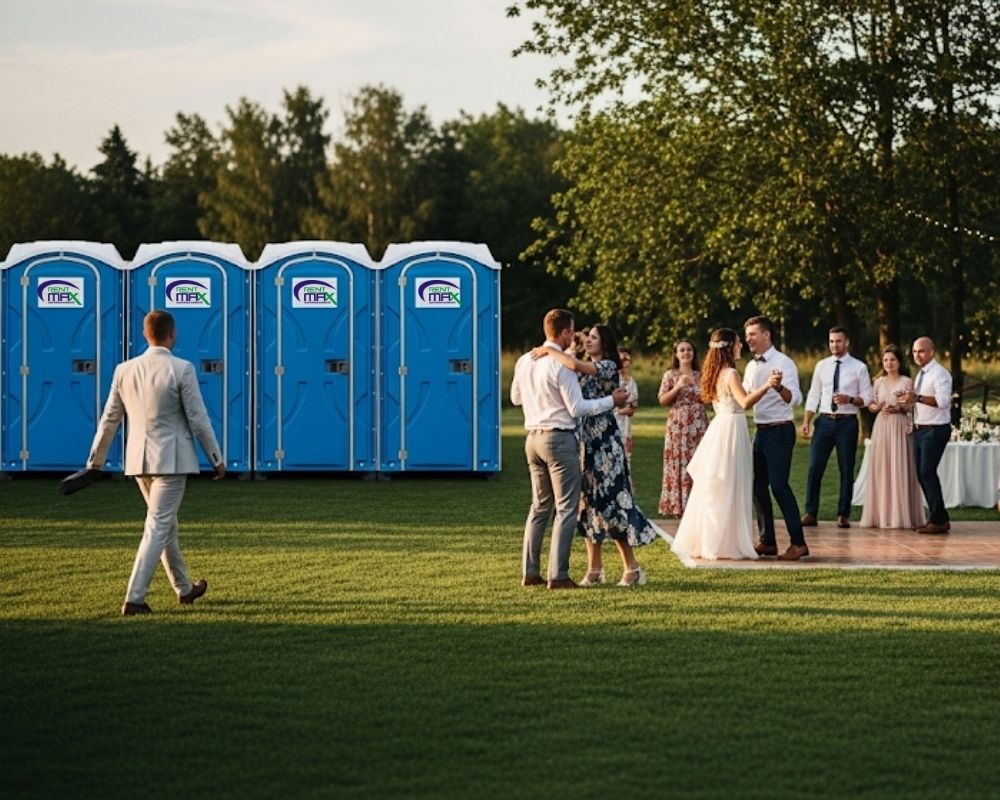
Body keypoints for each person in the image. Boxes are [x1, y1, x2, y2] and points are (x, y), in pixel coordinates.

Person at [86, 310, 225, 615]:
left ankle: (184, 589)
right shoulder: (182, 368)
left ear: (145, 334)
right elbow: (198, 420)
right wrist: (216, 458)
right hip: (172, 460)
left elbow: (109, 419)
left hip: (138, 461)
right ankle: (134, 599)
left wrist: (94, 461)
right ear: (172, 334)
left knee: (165, 525)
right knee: (158, 526)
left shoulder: (124, 369)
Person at [511, 309, 629, 589]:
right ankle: (558, 575)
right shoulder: (561, 364)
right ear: (564, 332)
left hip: (532, 439)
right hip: (558, 439)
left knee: (539, 508)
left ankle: (530, 572)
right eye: (573, 331)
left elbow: (516, 397)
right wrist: (611, 401)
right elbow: (577, 408)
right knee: (565, 509)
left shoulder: (524, 359)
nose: (577, 337)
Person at [532, 325, 658, 587]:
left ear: (605, 342)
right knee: (587, 507)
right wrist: (567, 348)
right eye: (587, 337)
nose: (588, 341)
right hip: (583, 444)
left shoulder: (608, 366)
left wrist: (548, 349)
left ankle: (632, 569)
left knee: (612, 504)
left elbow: (577, 366)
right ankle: (594, 569)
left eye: (593, 338)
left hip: (606, 445)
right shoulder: (577, 362)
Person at [671, 329, 780, 560]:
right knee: (730, 484)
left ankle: (713, 540)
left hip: (721, 428)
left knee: (719, 485)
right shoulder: (730, 373)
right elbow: (744, 402)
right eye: (739, 343)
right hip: (732, 430)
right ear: (730, 347)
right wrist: (767, 385)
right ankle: (724, 542)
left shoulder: (715, 372)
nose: (741, 346)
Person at [743, 316, 810, 560]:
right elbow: (747, 397)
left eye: (752, 334)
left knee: (779, 486)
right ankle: (767, 541)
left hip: (780, 430)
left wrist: (779, 387)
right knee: (757, 486)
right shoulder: (751, 367)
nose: (748, 339)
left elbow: (795, 399)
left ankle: (799, 543)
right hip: (760, 431)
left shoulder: (784, 363)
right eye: (747, 335)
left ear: (766, 335)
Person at [801, 326, 873, 529]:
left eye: (838, 341)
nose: (834, 345)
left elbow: (867, 398)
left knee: (846, 468)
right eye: (831, 341)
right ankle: (810, 512)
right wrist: (807, 421)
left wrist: (849, 399)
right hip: (823, 422)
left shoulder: (859, 367)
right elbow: (814, 394)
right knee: (815, 467)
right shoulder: (821, 366)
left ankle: (843, 514)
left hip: (847, 423)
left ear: (847, 342)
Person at [859, 345, 925, 529]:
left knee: (899, 466)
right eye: (886, 360)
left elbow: (911, 406)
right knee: (882, 466)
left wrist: (899, 407)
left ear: (899, 362)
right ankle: (881, 515)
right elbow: (871, 405)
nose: (889, 363)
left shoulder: (907, 382)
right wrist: (878, 406)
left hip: (899, 426)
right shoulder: (878, 382)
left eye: (893, 360)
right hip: (882, 425)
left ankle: (901, 515)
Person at [901, 336, 953, 534]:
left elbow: (943, 402)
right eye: (914, 351)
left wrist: (918, 397)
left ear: (932, 352)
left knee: (926, 472)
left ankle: (938, 520)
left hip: (935, 429)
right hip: (920, 428)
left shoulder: (940, 374)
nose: (917, 355)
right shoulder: (921, 374)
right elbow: (919, 403)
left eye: (921, 351)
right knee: (922, 473)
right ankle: (940, 517)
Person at [657, 339, 709, 516]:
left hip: (699, 424)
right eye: (682, 350)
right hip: (678, 425)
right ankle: (680, 506)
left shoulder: (701, 375)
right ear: (676, 354)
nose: (686, 353)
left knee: (699, 462)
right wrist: (678, 386)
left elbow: (709, 398)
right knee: (680, 462)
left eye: (689, 350)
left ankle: (699, 506)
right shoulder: (670, 375)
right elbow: (662, 400)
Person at [615, 347, 639, 470]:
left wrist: (628, 410)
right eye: (622, 358)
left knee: (625, 462)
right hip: (611, 424)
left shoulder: (631, 382)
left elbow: (633, 407)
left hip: (624, 427)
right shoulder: (611, 380)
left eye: (627, 359)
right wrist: (619, 411)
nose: (624, 361)